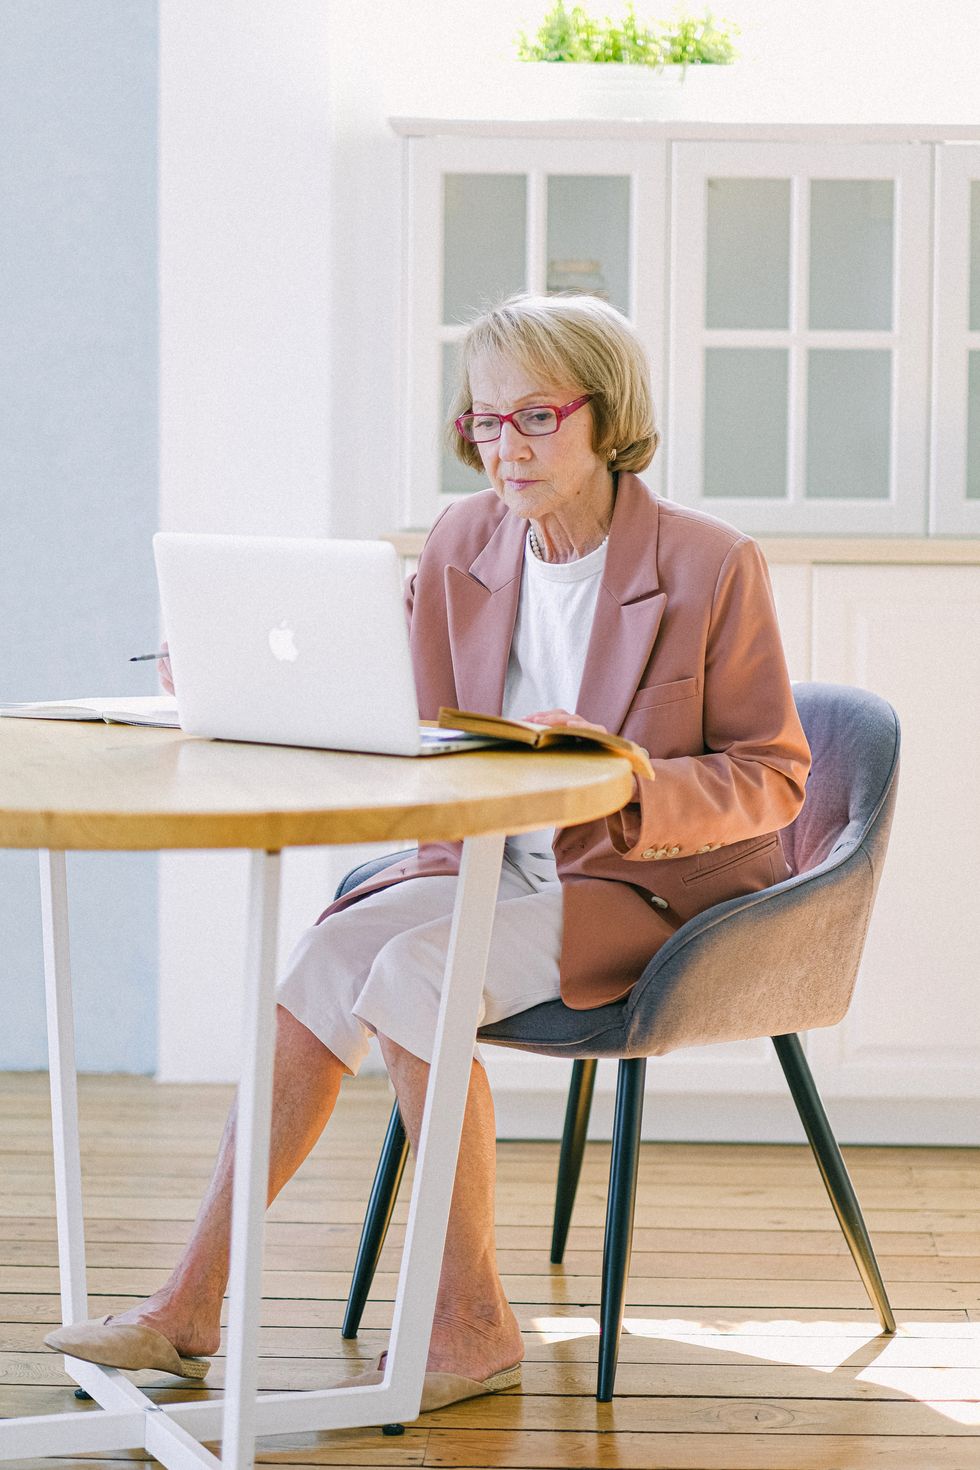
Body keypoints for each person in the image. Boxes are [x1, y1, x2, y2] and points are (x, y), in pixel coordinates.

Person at [45, 293, 811, 1412]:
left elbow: (774, 773)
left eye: (534, 417)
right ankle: (186, 1308)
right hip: (487, 865)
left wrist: (627, 788)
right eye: (482, 422)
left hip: (639, 884)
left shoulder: (708, 565)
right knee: (314, 972)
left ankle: (470, 1320)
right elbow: (391, 688)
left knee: (410, 978)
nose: (504, 448)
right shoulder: (465, 539)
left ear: (609, 419)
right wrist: (227, 670)